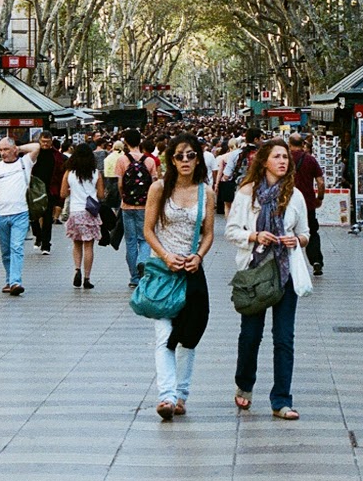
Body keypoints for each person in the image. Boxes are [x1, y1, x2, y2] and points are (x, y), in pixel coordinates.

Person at [227, 138, 310, 420]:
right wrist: (254, 235)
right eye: (277, 157)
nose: (282, 161)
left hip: (285, 273)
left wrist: (296, 240)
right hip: (254, 273)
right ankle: (244, 385)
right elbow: (231, 231)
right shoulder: (246, 194)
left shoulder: (295, 195)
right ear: (264, 161)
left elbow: (306, 233)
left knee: (284, 338)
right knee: (251, 335)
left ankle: (282, 400)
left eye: (285, 157)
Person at [144, 135, 215, 420]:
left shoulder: (206, 192)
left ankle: (181, 394)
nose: (185, 160)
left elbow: (208, 233)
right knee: (164, 335)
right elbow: (148, 229)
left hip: (191, 271)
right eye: (179, 156)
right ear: (171, 160)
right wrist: (165, 256)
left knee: (189, 335)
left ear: (198, 159)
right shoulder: (159, 188)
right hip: (163, 271)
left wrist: (198, 256)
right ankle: (167, 396)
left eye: (191, 155)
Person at [0, 136, 43, 296]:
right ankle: (9, 279)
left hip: (20, 212)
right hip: (1, 214)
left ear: (14, 149)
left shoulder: (25, 162)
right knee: (6, 251)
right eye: (1, 150)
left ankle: (16, 281)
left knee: (16, 247)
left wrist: (18, 148)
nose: (3, 153)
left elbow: (36, 146)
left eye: (6, 149)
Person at [114, 133, 160, 289]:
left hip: (127, 206)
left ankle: (134, 277)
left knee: (130, 241)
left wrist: (124, 197)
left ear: (126, 142)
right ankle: (142, 261)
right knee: (145, 238)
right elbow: (154, 184)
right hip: (145, 206)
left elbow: (120, 184)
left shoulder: (122, 160)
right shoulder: (149, 161)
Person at [61, 141, 103, 289]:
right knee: (89, 246)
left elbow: (63, 193)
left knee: (77, 243)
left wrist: (73, 190)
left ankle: (77, 269)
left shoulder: (69, 173)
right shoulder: (96, 173)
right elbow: (101, 195)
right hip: (90, 213)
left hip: (75, 212)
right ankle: (87, 278)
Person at [288, 133, 325, 275]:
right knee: (311, 232)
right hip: (307, 203)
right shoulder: (310, 159)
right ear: (303, 144)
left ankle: (290, 263)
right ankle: (316, 261)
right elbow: (320, 182)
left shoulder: (285, 159)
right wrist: (319, 197)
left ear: (289, 144)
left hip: (288, 202)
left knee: (288, 231)